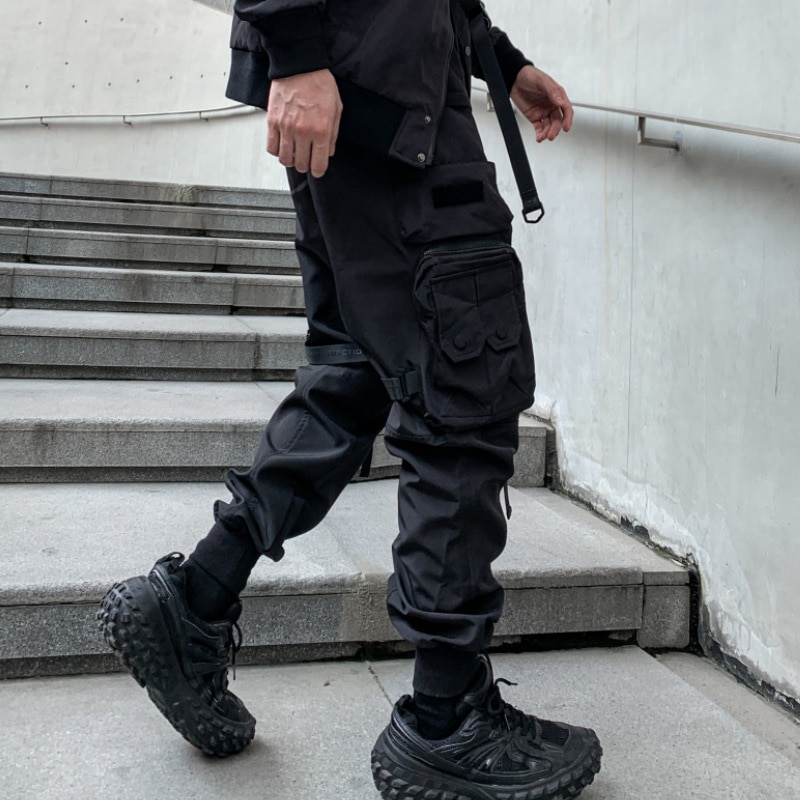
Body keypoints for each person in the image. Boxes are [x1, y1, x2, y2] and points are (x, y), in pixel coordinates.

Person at [98, 1, 602, 798]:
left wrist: (498, 59)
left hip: (370, 87)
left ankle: (198, 597)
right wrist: (296, 50)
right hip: (373, 84)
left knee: (357, 370)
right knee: (464, 389)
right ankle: (446, 718)